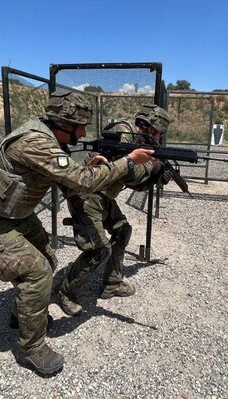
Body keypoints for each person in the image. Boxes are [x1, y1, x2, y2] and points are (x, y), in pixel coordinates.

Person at [0, 89, 155, 376]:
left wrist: (92, 167)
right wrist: (128, 162)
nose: (83, 132)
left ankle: (24, 315)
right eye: (80, 126)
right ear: (63, 123)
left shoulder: (48, 137)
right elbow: (80, 181)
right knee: (38, 272)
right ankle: (29, 348)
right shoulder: (36, 142)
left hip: (17, 216)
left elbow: (73, 179)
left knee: (49, 260)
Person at [56, 104, 171, 317]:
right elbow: (129, 172)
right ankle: (65, 291)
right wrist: (152, 166)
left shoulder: (138, 142)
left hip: (104, 195)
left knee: (122, 230)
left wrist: (155, 175)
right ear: (150, 127)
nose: (158, 137)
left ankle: (112, 282)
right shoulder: (122, 135)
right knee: (99, 249)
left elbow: (135, 183)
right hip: (87, 196)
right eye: (158, 132)